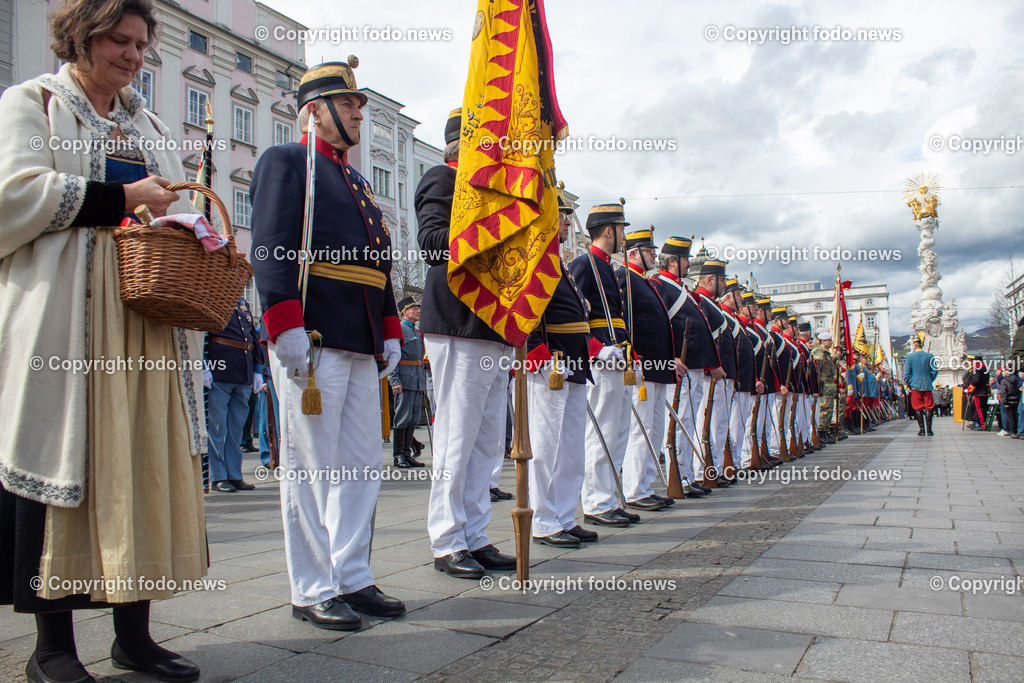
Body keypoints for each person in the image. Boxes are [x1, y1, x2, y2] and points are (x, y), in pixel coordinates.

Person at [0, 2, 207, 681]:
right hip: (66, 320)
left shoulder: (148, 124)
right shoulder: (32, 103)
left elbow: (179, 202)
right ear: (80, 37)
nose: (132, 55)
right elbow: (10, 196)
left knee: (140, 462)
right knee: (61, 467)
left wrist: (187, 222)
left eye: (142, 44)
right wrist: (118, 200)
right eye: (118, 40)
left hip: (146, 317)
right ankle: (52, 647)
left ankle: (134, 637)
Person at [251, 58, 406, 629]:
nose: (359, 114)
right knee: (312, 466)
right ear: (315, 111)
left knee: (363, 462)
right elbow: (270, 244)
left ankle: (352, 575)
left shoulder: (358, 183)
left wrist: (389, 328)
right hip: (313, 334)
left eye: (361, 105)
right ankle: (313, 586)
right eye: (350, 105)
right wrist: (283, 322)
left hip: (361, 336)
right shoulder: (287, 162)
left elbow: (380, 266)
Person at [416, 108, 516, 578]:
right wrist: (493, 228)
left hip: (494, 326)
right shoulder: (443, 177)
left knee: (487, 442)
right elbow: (433, 244)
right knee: (457, 436)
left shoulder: (495, 193)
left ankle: (475, 534)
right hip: (458, 321)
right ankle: (447, 539)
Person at [525, 188, 598, 547]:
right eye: (562, 214)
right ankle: (543, 519)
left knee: (571, 445)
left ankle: (565, 515)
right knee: (547, 444)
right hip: (551, 361)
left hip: (575, 359)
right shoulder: (535, 256)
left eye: (569, 215)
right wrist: (535, 348)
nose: (568, 221)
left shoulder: (559, 262)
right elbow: (525, 307)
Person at [569, 202, 640, 526]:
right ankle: (597, 503)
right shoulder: (585, 265)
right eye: (622, 229)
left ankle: (609, 497)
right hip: (604, 358)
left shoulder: (609, 268)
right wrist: (596, 350)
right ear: (609, 230)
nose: (625, 235)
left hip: (621, 356)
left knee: (619, 431)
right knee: (602, 432)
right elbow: (576, 316)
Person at [652, 237, 722, 496]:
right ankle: (678, 476)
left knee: (688, 422)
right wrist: (672, 355)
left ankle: (687, 475)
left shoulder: (677, 288)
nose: (689, 263)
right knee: (679, 422)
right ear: (673, 261)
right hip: (681, 364)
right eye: (685, 259)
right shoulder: (659, 285)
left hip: (692, 365)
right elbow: (659, 326)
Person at [618, 228, 676, 511]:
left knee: (653, 429)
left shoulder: (648, 283)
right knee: (641, 429)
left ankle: (645, 485)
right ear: (633, 254)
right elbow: (624, 322)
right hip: (643, 366)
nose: (655, 255)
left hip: (659, 367)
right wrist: (633, 357)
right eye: (649, 251)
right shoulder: (625, 279)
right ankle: (634, 489)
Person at [205, 297, 263, 492]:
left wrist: (257, 369)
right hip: (220, 369)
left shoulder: (243, 303)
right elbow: (204, 333)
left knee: (236, 429)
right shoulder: (212, 297)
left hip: (243, 371)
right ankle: (218, 475)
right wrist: (203, 365)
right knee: (218, 427)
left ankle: (234, 474)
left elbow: (252, 337)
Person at [388, 297, 427, 468]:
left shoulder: (416, 332)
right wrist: (394, 380)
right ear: (405, 312)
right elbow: (393, 357)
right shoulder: (400, 330)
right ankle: (398, 455)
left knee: (413, 419)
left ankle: (407, 454)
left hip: (417, 379)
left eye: (418, 308)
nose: (418, 311)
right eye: (414, 308)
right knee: (402, 418)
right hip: (404, 379)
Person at [903, 337, 938, 436]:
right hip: (927, 384)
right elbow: (935, 370)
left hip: (915, 385)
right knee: (929, 407)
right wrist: (930, 379)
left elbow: (907, 372)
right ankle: (929, 430)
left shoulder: (910, 357)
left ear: (915, 345)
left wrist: (906, 384)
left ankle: (922, 429)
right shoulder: (930, 356)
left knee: (917, 407)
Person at [810, 331, 838, 443]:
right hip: (824, 384)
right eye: (829, 340)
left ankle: (825, 430)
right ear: (823, 341)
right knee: (824, 409)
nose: (831, 342)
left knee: (829, 409)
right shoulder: (819, 353)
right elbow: (817, 370)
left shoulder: (826, 353)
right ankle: (821, 432)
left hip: (829, 384)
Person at [998, 368, 1020, 437]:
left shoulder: (1004, 381)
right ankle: (1016, 430)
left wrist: (1004, 402)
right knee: (1015, 415)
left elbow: (1004, 392)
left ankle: (1011, 431)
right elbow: (1017, 390)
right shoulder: (1016, 379)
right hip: (1015, 399)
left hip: (1008, 399)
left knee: (1010, 416)